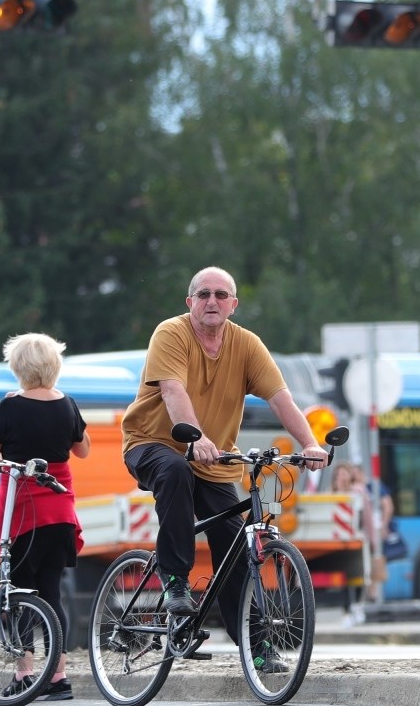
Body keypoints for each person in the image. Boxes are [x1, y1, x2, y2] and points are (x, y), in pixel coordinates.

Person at [121, 266, 329, 673]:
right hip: (152, 443)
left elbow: (280, 397)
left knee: (235, 549)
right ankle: (176, 583)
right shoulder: (171, 333)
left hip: (215, 460)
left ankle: (257, 645)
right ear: (190, 303)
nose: (212, 301)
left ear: (233, 304)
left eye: (220, 294)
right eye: (203, 294)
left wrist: (308, 444)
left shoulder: (247, 345)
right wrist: (195, 437)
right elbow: (172, 389)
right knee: (175, 472)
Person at [0, 332, 88, 701]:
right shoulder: (68, 404)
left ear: (18, 367)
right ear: (54, 365)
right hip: (59, 512)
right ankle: (58, 677)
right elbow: (82, 450)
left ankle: (25, 673)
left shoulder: (11, 406)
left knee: (20, 591)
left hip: (22, 512)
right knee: (52, 592)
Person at [333, 462, 393, 608]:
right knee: (345, 577)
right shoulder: (331, 495)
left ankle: (358, 606)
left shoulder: (359, 492)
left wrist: (373, 538)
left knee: (359, 575)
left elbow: (369, 517)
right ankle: (349, 609)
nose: (343, 477)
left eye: (345, 473)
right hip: (338, 543)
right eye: (340, 475)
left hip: (357, 540)